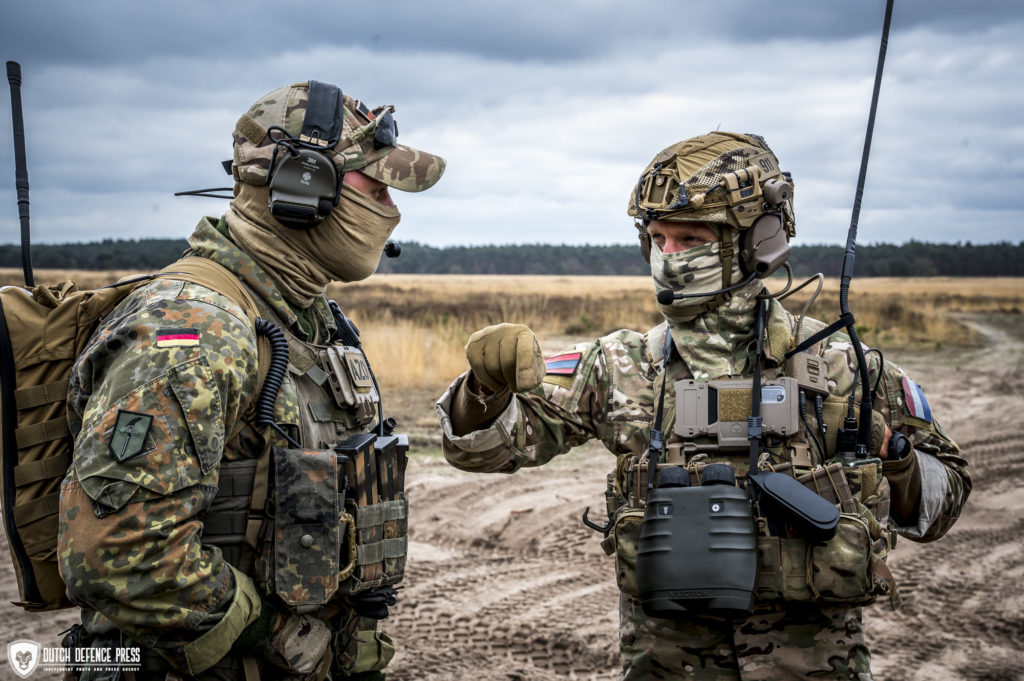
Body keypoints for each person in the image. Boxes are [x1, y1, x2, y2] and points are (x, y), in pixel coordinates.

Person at [435, 132, 970, 680]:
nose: (668, 258)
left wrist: (891, 451)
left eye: (689, 239)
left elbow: (943, 504)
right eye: (657, 239)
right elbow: (483, 451)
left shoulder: (845, 370)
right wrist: (484, 389)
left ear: (757, 244)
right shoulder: (620, 366)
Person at [57, 80, 444, 681]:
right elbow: (118, 553)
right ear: (303, 189)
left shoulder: (304, 318)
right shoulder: (192, 333)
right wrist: (275, 631)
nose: (392, 205)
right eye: (377, 182)